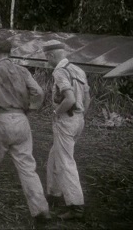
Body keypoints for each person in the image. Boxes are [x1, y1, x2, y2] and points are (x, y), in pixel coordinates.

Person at [0, 38, 51, 223]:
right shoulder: (22, 70)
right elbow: (39, 92)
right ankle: (40, 209)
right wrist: (31, 108)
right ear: (10, 52)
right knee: (27, 166)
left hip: (1, 120)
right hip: (21, 120)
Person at [42, 39, 91, 220]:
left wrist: (56, 112)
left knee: (66, 163)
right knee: (55, 156)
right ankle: (53, 194)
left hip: (66, 121)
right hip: (78, 120)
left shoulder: (60, 71)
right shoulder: (78, 70)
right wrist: (80, 115)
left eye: (47, 57)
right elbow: (87, 98)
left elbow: (69, 99)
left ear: (51, 55)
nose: (47, 61)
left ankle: (76, 206)